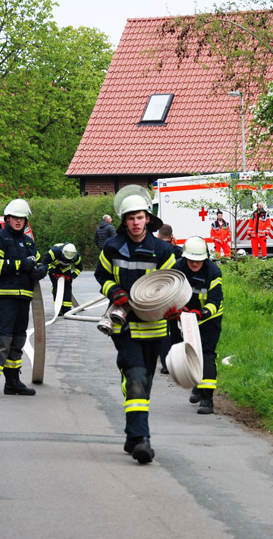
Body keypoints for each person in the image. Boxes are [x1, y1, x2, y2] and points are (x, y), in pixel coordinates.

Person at [95, 194, 176, 464]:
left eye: (140, 217)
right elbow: (101, 275)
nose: (136, 222)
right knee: (137, 377)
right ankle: (143, 440)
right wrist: (114, 291)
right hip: (124, 325)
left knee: (145, 383)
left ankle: (132, 435)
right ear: (124, 221)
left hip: (154, 326)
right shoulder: (113, 247)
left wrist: (174, 306)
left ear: (148, 219)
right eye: (131, 218)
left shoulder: (163, 250)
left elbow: (172, 283)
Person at [0, 198, 47, 399]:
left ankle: (13, 382)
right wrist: (20, 264)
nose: (19, 221)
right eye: (15, 218)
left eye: (22, 218)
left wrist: (41, 270)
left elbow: (39, 262)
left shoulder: (28, 242)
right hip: (3, 298)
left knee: (18, 341)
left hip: (23, 298)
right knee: (1, 339)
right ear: (8, 218)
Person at [172, 236, 223, 415]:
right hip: (183, 318)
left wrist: (203, 313)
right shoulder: (177, 268)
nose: (194, 263)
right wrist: (176, 308)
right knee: (186, 352)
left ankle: (207, 399)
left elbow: (215, 300)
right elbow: (170, 290)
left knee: (207, 355)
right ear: (185, 257)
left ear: (205, 259)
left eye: (198, 260)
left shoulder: (213, 272)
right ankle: (196, 384)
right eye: (191, 260)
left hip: (208, 320)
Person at [156, 224, 183, 375]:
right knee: (177, 328)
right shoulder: (179, 251)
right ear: (172, 236)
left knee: (163, 329)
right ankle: (177, 363)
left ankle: (166, 363)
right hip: (177, 294)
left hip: (160, 294)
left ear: (159, 236)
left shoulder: (155, 249)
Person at [41, 242, 82, 315]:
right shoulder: (54, 252)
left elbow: (79, 268)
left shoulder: (76, 256)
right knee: (56, 287)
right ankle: (58, 308)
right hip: (54, 269)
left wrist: (72, 276)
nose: (66, 259)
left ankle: (67, 309)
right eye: (65, 257)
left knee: (68, 287)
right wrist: (53, 273)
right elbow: (45, 264)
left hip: (66, 270)